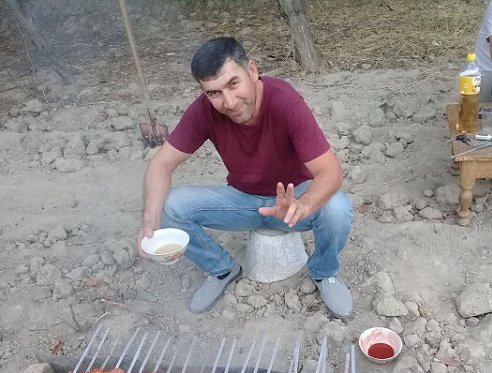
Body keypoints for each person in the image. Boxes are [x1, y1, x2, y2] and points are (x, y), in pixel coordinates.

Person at [137, 37, 354, 318]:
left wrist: (303, 205)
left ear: (252, 70)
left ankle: (324, 272)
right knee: (169, 206)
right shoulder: (204, 110)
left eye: (233, 84)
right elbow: (161, 164)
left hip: (293, 199)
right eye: (214, 93)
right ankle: (222, 269)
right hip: (243, 201)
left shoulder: (285, 101)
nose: (228, 102)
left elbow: (331, 171)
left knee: (337, 208)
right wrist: (150, 223)